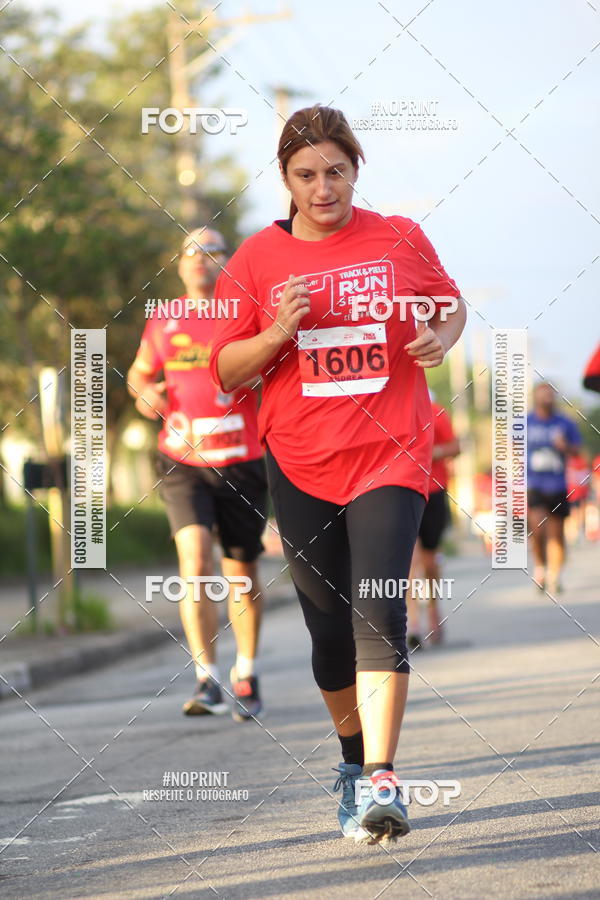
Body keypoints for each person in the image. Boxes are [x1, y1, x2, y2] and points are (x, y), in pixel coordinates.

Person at [209, 105, 466, 843]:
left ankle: (385, 775)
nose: (324, 188)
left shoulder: (397, 238)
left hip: (391, 452)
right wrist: (278, 333)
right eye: (306, 174)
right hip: (300, 461)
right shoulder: (256, 259)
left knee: (379, 608)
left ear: (356, 169)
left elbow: (450, 305)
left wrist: (439, 339)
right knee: (328, 634)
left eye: (336, 172)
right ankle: (354, 766)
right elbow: (227, 369)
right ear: (285, 178)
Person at [127, 228, 268, 722]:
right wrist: (147, 395)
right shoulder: (164, 319)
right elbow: (140, 374)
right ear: (180, 266)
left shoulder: (247, 315)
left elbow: (275, 370)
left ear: (227, 264)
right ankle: (206, 676)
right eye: (191, 252)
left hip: (242, 460)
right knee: (194, 561)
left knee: (242, 574)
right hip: (182, 459)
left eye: (212, 252)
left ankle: (245, 673)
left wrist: (256, 372)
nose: (201, 260)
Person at [406, 397, 459, 650]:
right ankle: (412, 625)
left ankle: (434, 612)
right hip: (401, 492)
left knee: (429, 561)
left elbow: (454, 446)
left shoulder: (435, 410)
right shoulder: (384, 407)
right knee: (409, 561)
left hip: (433, 491)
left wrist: (429, 451)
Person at [527, 382, 582, 594]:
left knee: (556, 533)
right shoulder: (526, 422)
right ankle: (540, 568)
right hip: (535, 484)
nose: (548, 398)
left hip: (558, 485)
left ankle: (554, 576)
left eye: (551, 395)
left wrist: (565, 446)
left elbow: (577, 450)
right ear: (536, 397)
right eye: (544, 395)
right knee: (538, 530)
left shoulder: (565, 423)